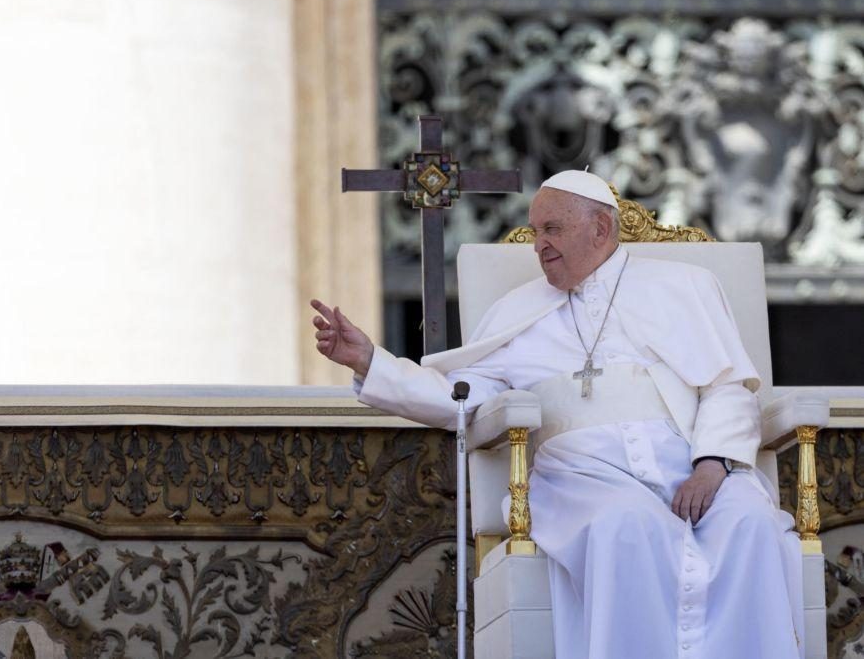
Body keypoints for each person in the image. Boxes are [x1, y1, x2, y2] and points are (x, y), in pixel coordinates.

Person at [311, 170, 804, 659]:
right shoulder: (518, 312)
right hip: (581, 476)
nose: (538, 245)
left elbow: (727, 385)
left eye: (552, 229)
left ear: (600, 229)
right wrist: (370, 361)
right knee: (626, 525)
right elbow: (457, 395)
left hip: (688, 462)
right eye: (536, 230)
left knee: (750, 523)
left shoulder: (685, 286)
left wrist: (712, 464)